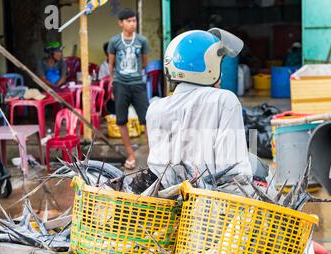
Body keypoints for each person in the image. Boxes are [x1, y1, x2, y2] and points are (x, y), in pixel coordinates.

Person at [146, 28, 253, 188]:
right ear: (207, 65)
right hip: (212, 203)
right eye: (219, 64)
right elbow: (235, 171)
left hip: (166, 202)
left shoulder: (155, 108)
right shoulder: (224, 100)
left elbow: (158, 171)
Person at [108, 8, 150, 170]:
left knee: (147, 119)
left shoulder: (142, 41)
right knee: (121, 120)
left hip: (138, 84)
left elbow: (145, 62)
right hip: (120, 84)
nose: (133, 24)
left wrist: (135, 74)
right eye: (129, 21)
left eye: (134, 21)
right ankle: (130, 154)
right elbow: (111, 65)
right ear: (121, 23)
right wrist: (114, 82)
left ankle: (151, 153)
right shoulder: (114, 42)